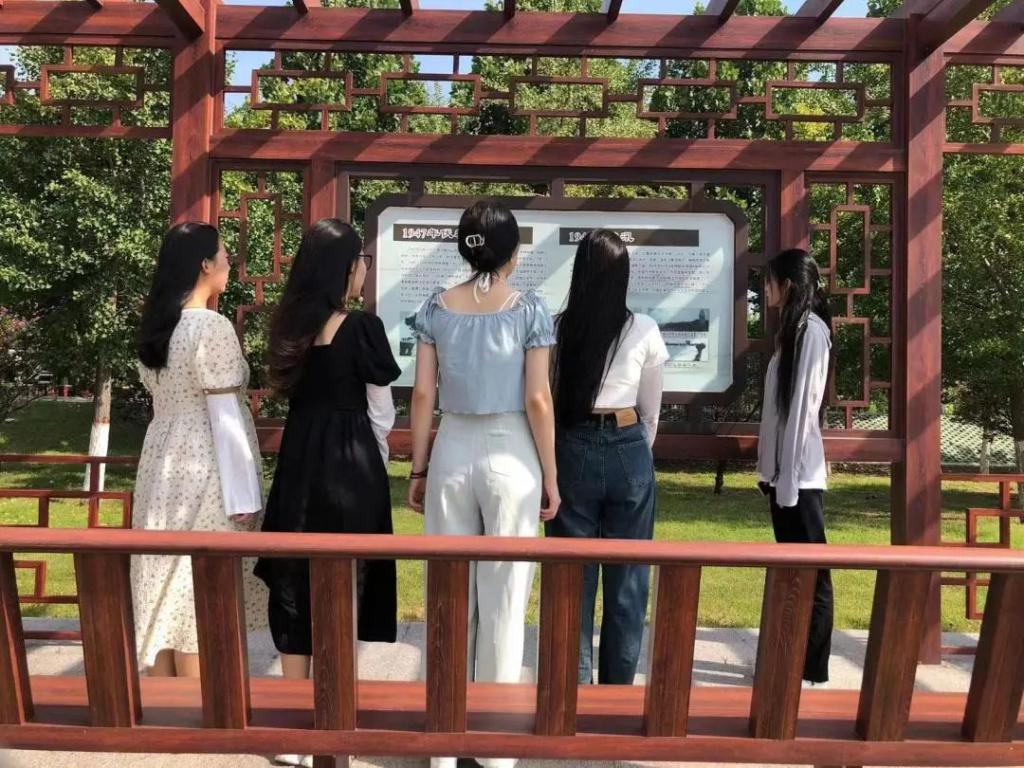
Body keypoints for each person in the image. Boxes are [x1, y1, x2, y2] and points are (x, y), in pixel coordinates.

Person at [407, 200, 558, 768]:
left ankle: (443, 741)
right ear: (512, 250)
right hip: (512, 450)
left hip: (451, 447)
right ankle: (494, 746)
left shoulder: (435, 307)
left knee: (447, 591)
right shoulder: (530, 309)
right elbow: (538, 398)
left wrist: (418, 466)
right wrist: (551, 475)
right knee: (505, 597)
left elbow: (423, 394)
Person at [253, 219, 400, 768]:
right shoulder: (361, 327)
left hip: (299, 462)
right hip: (351, 462)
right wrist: (377, 462)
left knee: (294, 578)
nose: (364, 270)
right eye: (361, 260)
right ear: (345, 267)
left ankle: (296, 723)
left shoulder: (288, 328)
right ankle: (336, 715)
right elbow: (381, 410)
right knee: (348, 580)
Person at [132, 222, 265, 677]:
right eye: (225, 255)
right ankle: (198, 706)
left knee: (167, 583)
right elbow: (224, 415)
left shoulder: (160, 328)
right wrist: (244, 496)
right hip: (205, 464)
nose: (229, 263)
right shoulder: (211, 326)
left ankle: (163, 700)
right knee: (197, 592)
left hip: (160, 463)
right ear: (205, 264)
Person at [546, 229, 668, 686]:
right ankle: (618, 695)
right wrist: (632, 452)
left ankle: (573, 692)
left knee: (571, 580)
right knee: (628, 582)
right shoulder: (644, 329)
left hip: (570, 445)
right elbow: (651, 413)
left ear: (579, 271)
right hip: (627, 444)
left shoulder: (558, 328)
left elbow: (549, 399)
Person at [756, 247, 834, 687]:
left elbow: (803, 413)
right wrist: (770, 473)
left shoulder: (811, 333)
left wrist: (786, 481)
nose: (764, 290)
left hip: (799, 479)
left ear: (786, 285)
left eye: (769, 282)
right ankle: (791, 661)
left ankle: (813, 670)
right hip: (784, 477)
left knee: (813, 575)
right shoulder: (791, 333)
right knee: (791, 574)